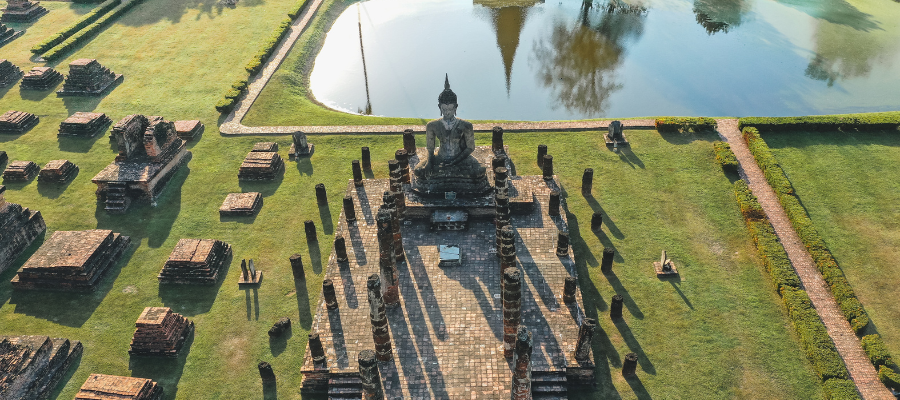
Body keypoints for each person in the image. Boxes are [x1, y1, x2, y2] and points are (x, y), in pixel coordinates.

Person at [413, 75, 489, 195]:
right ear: (439, 107)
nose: (447, 112)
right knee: (418, 171)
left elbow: (470, 148)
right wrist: (430, 163)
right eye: (444, 109)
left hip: (461, 157)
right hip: (440, 157)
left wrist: (455, 161)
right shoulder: (432, 125)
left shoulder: (466, 125)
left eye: (450, 109)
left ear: (456, 107)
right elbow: (430, 148)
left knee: (480, 171)